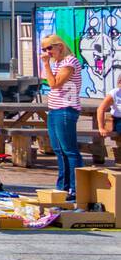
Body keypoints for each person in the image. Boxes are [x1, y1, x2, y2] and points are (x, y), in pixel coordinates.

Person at [41, 33, 83, 200]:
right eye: (44, 49)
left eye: (50, 48)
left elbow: (54, 84)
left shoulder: (70, 61)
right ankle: (62, 187)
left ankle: (76, 188)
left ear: (60, 46)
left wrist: (46, 64)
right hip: (54, 108)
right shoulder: (58, 63)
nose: (47, 52)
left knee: (69, 150)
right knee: (59, 150)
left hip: (66, 108)